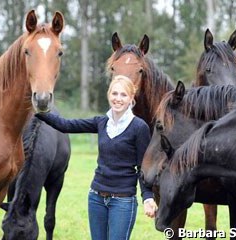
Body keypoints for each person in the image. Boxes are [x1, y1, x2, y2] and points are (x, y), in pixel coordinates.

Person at [35, 75, 157, 240]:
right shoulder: (101, 122)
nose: (118, 99)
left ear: (131, 99)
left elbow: (143, 166)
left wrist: (147, 196)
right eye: (115, 94)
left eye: (123, 95)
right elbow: (65, 125)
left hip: (123, 201)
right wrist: (38, 111)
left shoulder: (139, 127)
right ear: (109, 95)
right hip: (96, 198)